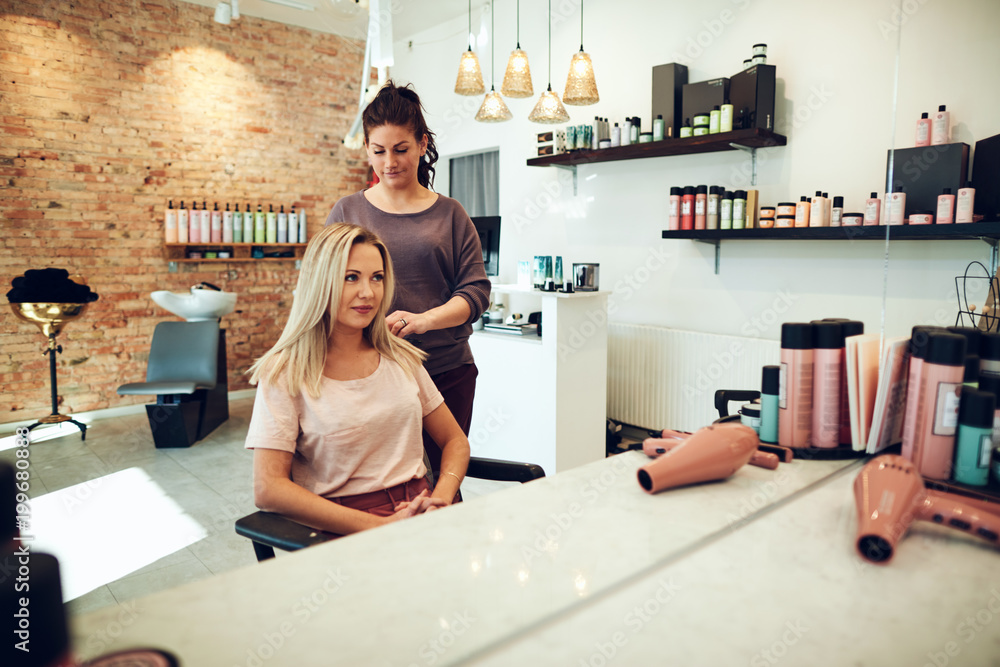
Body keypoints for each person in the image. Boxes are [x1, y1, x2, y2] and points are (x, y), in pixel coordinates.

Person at [245, 223, 470, 535]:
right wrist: (383, 525)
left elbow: (455, 440)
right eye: (351, 277)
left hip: (421, 512)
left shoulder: (401, 357)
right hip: (344, 529)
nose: (368, 293)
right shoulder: (285, 372)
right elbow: (268, 489)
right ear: (320, 281)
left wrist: (440, 498)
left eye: (377, 278)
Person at [325, 81, 491, 474]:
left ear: (422, 143)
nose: (389, 162)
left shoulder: (450, 214)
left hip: (445, 370)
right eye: (378, 151)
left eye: (401, 149)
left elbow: (476, 292)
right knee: (382, 487)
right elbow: (324, 290)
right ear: (367, 149)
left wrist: (423, 321)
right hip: (366, 374)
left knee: (441, 480)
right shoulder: (347, 211)